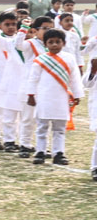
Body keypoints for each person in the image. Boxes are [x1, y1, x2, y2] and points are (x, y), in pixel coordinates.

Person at [25, 28, 82, 165]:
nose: (54, 45)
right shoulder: (40, 60)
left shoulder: (69, 58)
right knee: (42, 127)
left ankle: (58, 153)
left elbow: (74, 78)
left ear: (64, 43)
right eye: (51, 42)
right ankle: (40, 151)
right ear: (45, 44)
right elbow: (33, 79)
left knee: (59, 128)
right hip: (44, 97)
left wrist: (77, 94)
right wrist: (31, 95)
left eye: (58, 42)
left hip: (61, 98)